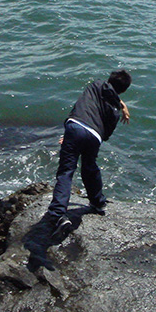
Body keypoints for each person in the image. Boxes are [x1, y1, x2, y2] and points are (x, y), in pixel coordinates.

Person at [47, 69, 132, 238]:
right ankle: (98, 203)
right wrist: (122, 106)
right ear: (124, 91)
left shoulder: (96, 84)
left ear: (109, 79)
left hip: (75, 126)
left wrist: (71, 136)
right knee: (90, 168)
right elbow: (105, 135)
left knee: (66, 172)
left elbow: (107, 90)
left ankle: (58, 215)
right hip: (95, 136)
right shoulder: (115, 112)